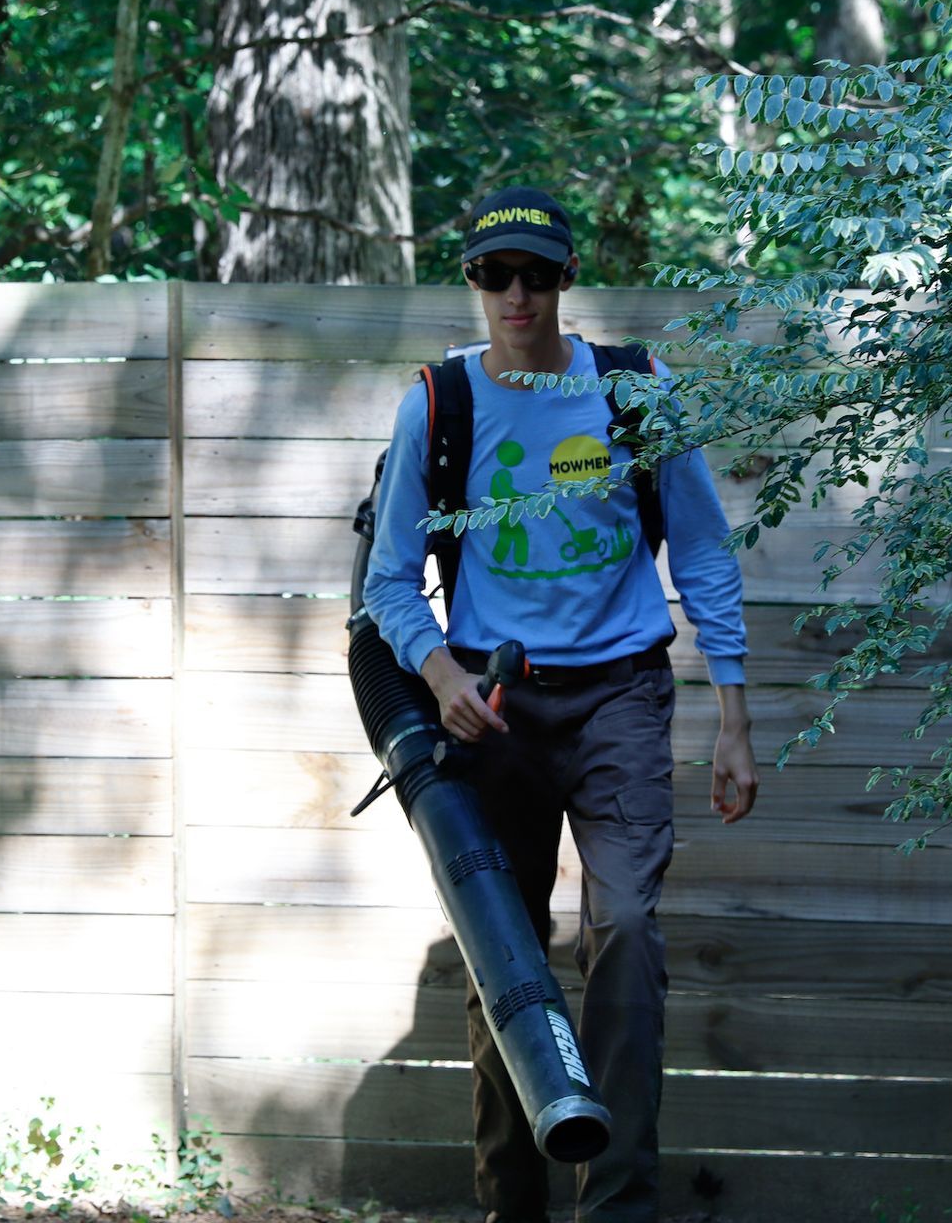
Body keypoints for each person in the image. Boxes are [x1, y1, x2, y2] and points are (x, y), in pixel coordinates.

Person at [362, 185, 760, 1223]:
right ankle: (513, 1204)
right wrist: (442, 677)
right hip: (492, 701)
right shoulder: (439, 403)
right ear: (475, 283)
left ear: (564, 279)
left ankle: (618, 1204)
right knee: (507, 948)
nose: (519, 293)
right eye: (498, 274)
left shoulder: (634, 391)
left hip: (622, 696)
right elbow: (389, 580)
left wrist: (733, 710)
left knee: (625, 926)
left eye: (537, 273)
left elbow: (706, 548)